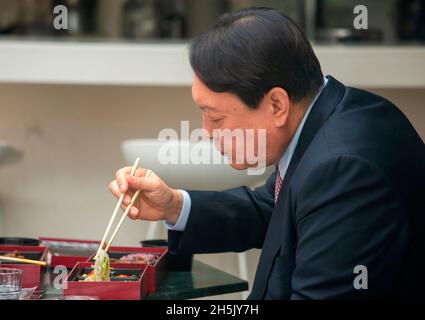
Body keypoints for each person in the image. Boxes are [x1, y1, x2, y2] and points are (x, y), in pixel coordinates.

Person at [109, 7, 425, 299]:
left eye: (216, 117)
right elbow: (272, 209)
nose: (205, 132)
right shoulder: (329, 116)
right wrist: (175, 206)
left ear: (277, 105)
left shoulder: (344, 170)